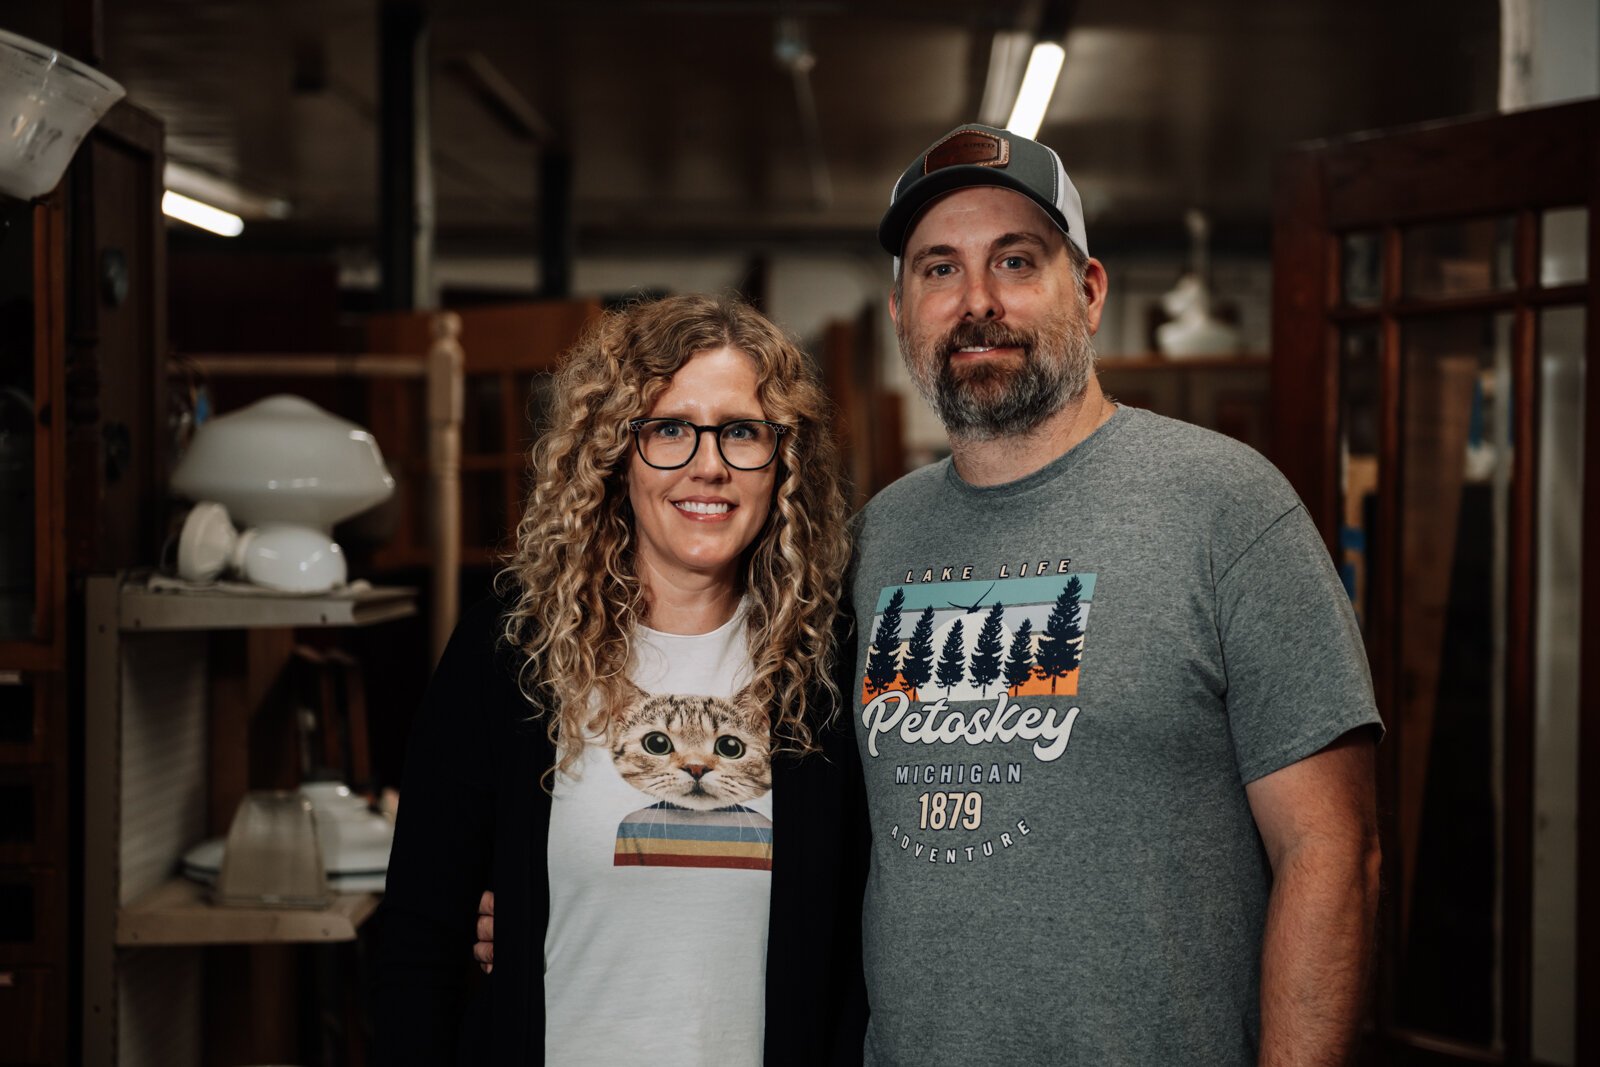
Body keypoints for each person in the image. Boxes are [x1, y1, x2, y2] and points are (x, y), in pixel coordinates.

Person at [844, 123, 1383, 1064]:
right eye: (938, 270)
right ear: (901, 312)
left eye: (1015, 260)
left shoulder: (1227, 505)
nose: (976, 303)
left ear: (1088, 292)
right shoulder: (878, 534)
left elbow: (1333, 854)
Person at [376, 293, 866, 1066]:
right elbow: (419, 937)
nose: (708, 463)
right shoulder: (514, 646)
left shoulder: (830, 664)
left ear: (784, 462)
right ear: (615, 452)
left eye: (741, 431)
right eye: (669, 428)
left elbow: (856, 948)